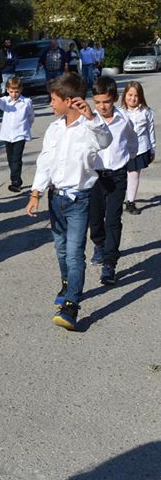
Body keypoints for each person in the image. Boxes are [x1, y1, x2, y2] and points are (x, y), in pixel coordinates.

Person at [26, 72, 112, 331]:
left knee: (75, 253)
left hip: (79, 200)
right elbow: (45, 162)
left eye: (53, 99)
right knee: (61, 250)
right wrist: (35, 193)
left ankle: (72, 305)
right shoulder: (53, 129)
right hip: (56, 199)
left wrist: (92, 117)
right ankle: (67, 284)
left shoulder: (90, 127)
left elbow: (106, 142)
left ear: (68, 100)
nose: (51, 104)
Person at [88, 76, 138, 284]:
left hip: (117, 175)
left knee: (113, 219)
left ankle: (110, 262)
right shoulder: (89, 120)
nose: (102, 107)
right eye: (98, 102)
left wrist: (129, 158)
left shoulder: (124, 120)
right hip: (95, 177)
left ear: (115, 99)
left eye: (106, 102)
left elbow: (133, 142)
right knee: (95, 218)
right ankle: (99, 245)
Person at [0, 76, 34, 192]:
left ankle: (16, 181)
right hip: (8, 135)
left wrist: (26, 128)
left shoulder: (26, 102)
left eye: (17, 92)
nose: (14, 94)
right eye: (12, 92)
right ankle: (15, 178)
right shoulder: (6, 101)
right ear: (8, 90)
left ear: (21, 90)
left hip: (20, 134)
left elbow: (31, 117)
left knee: (16, 158)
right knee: (10, 158)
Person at [121, 81, 156, 214]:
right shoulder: (119, 112)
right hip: (123, 149)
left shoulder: (146, 112)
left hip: (141, 148)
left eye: (136, 95)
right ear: (125, 95)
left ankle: (130, 202)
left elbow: (150, 131)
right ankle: (116, 199)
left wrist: (152, 149)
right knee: (120, 176)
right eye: (130, 95)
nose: (133, 98)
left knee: (134, 174)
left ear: (140, 97)